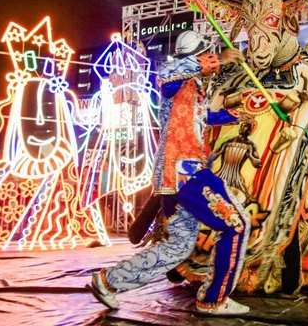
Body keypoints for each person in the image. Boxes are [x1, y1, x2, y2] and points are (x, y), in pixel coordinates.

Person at [88, 30, 253, 316]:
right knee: (236, 224)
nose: (211, 63)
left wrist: (235, 116)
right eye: (206, 56)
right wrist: (219, 59)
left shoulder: (192, 87)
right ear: (199, 56)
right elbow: (165, 78)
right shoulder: (175, 75)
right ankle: (213, 299)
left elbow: (201, 117)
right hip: (185, 171)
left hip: (175, 176)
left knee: (177, 247)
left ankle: (108, 281)